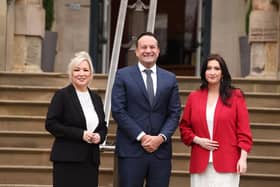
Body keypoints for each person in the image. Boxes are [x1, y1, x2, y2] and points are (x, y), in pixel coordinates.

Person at [111, 32, 181, 187]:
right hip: (131, 150)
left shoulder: (170, 78)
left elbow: (174, 113)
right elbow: (118, 110)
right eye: (144, 47)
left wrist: (160, 138)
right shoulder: (123, 75)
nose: (148, 50)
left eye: (152, 47)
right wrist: (142, 136)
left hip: (160, 152)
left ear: (158, 50)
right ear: (136, 51)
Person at [179, 54, 253, 187]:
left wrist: (243, 158)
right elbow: (184, 128)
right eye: (209, 68)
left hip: (228, 161)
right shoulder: (194, 97)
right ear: (204, 72)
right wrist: (198, 140)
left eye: (217, 68)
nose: (212, 72)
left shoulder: (236, 96)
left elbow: (244, 130)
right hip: (200, 162)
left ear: (223, 73)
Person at [45, 51, 107, 187]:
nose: (81, 73)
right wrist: (81, 134)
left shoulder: (95, 98)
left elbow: (103, 126)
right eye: (77, 70)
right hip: (67, 160)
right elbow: (51, 124)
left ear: (91, 74)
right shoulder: (62, 95)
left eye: (85, 70)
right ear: (71, 73)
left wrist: (99, 137)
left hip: (90, 161)